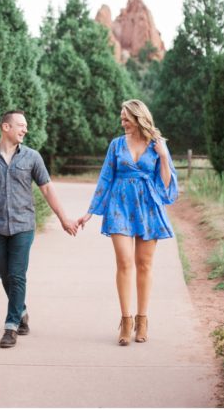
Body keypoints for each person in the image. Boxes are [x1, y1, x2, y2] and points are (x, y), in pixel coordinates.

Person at [0, 109, 78, 348]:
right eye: (21, 125)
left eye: (26, 125)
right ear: (5, 127)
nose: (25, 129)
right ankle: (21, 311)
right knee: (5, 275)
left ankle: (11, 327)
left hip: (23, 225)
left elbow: (48, 189)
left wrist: (63, 219)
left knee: (17, 275)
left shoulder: (32, 157)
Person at [77, 99, 178, 346]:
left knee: (144, 264)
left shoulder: (157, 145)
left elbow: (166, 184)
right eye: (121, 118)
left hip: (148, 206)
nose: (122, 122)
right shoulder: (116, 145)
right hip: (120, 205)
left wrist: (163, 157)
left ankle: (142, 320)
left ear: (138, 117)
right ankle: (126, 321)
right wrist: (90, 211)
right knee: (124, 262)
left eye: (126, 118)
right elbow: (105, 178)